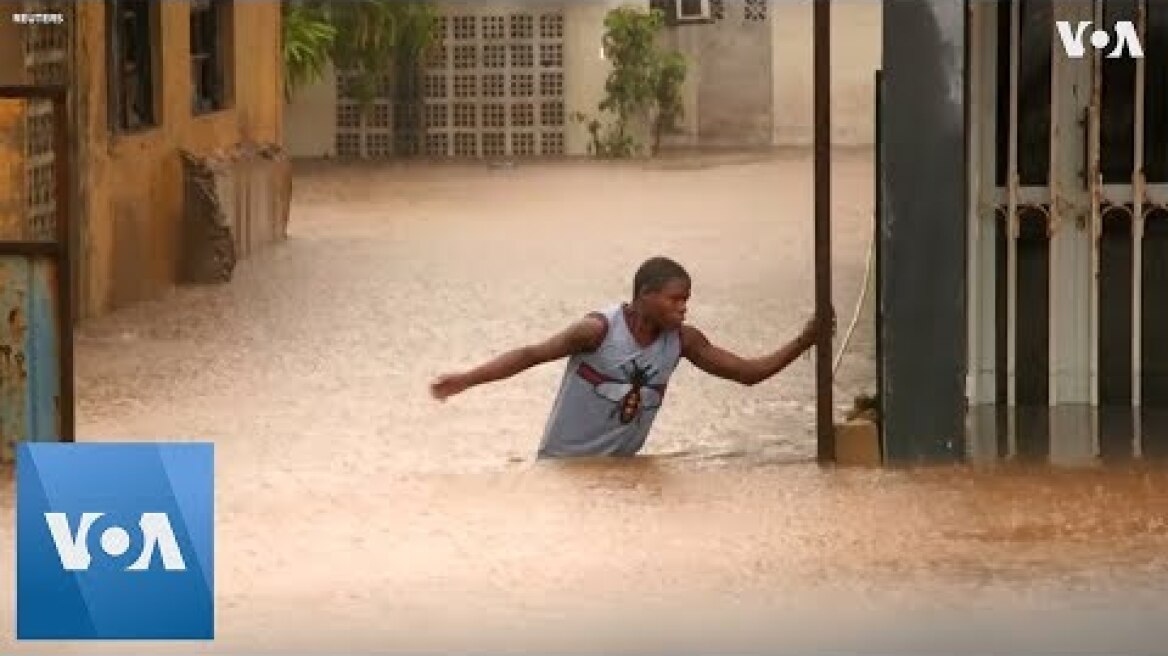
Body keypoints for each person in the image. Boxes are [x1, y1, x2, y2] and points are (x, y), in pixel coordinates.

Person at [429, 256, 831, 458]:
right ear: (644, 297)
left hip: (622, 472)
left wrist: (804, 340)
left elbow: (748, 373)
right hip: (563, 470)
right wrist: (468, 378)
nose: (683, 309)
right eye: (675, 300)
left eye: (687, 301)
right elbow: (531, 354)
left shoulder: (683, 341)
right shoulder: (597, 331)